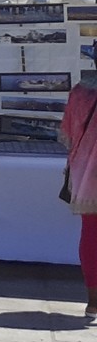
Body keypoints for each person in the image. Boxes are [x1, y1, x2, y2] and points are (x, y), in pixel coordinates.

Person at [62, 54, 97, 318]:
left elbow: (68, 135)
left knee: (91, 234)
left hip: (87, 174)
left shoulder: (80, 92)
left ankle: (93, 301)